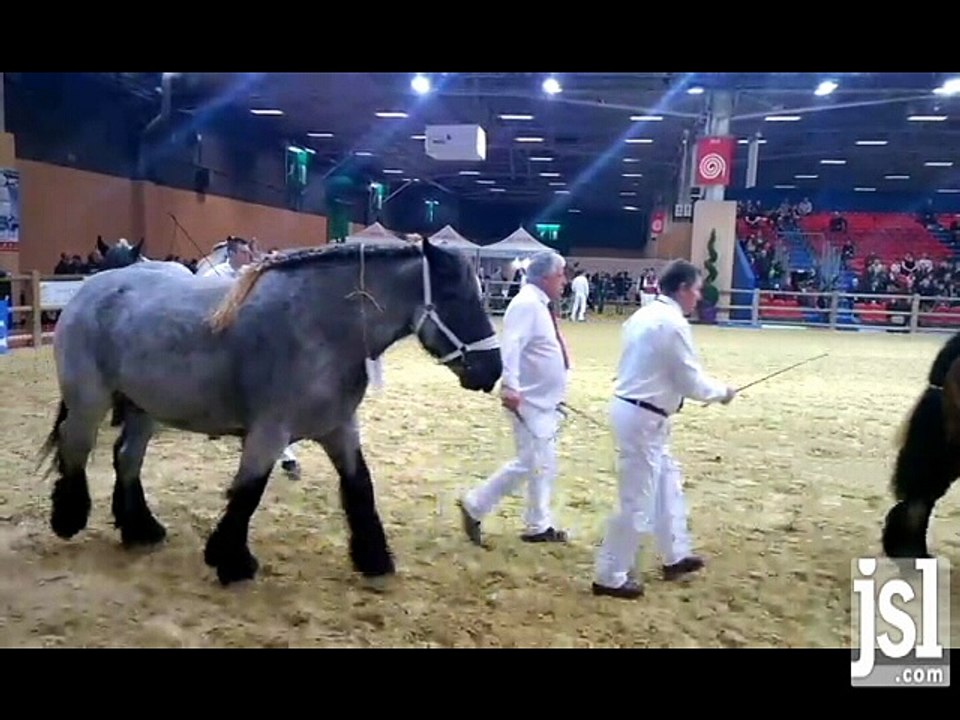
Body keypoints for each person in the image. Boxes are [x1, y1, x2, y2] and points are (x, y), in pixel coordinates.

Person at [592, 259, 737, 599]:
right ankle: (609, 574)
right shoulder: (672, 324)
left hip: (641, 412)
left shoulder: (643, 315)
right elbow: (689, 380)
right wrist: (723, 393)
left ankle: (675, 554)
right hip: (643, 416)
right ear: (683, 288)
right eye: (697, 290)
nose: (699, 297)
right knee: (636, 500)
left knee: (666, 483)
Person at [458, 250, 570, 545]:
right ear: (546, 276)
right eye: (561, 274)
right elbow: (511, 346)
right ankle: (475, 504)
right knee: (531, 462)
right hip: (527, 401)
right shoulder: (527, 305)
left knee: (542, 463)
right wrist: (510, 386)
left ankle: (538, 524)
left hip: (541, 400)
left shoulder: (538, 305)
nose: (564, 281)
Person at [201, 237, 302, 479]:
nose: (247, 257)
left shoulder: (249, 273)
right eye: (243, 253)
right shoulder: (214, 276)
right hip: (223, 344)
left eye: (248, 252)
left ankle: (287, 457)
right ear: (233, 253)